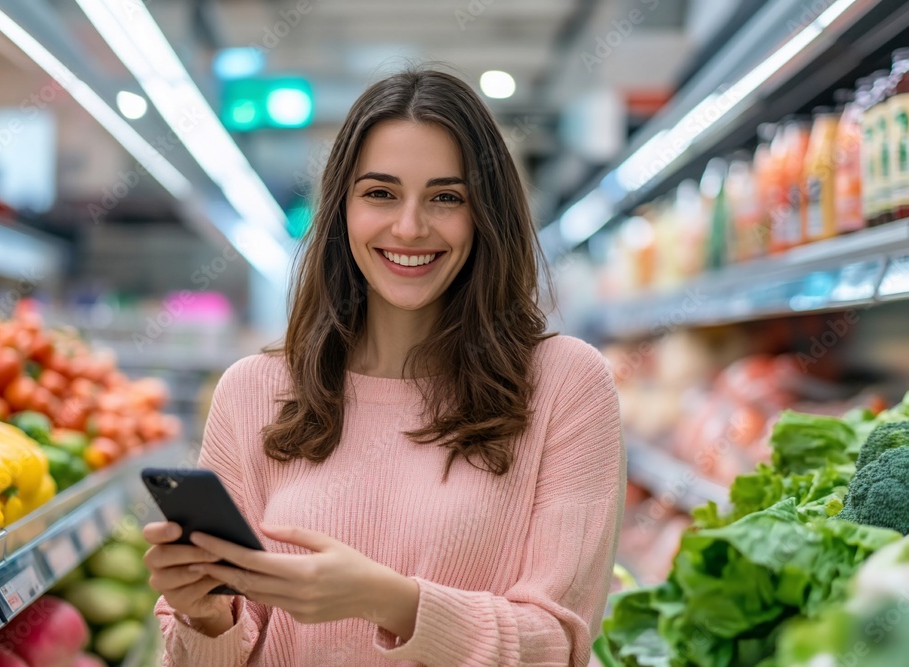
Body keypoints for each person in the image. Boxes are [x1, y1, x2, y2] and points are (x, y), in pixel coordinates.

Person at [145, 67, 625, 667]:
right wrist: (208, 618)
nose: (409, 227)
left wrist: (388, 601)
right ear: (342, 210)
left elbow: (559, 645)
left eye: (446, 198)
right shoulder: (254, 392)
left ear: (486, 216)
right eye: (380, 193)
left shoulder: (564, 383)